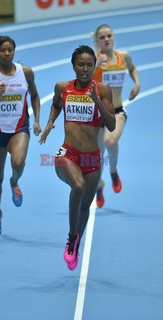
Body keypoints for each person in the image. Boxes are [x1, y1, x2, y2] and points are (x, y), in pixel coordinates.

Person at [39, 45, 115, 270]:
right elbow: (55, 104)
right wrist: (51, 121)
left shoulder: (102, 89)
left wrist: (97, 101)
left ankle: (76, 244)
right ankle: (72, 236)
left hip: (92, 158)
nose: (85, 69)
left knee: (85, 207)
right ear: (73, 66)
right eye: (80, 64)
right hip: (67, 153)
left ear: (94, 67)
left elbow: (110, 125)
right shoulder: (62, 87)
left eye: (89, 65)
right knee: (78, 187)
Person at [0, 35, 41, 236]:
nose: (7, 54)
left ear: (14, 50)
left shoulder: (26, 72)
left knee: (18, 162)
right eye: (3, 50)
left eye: (10, 50)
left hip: (19, 129)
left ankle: (15, 181)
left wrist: (37, 120)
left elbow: (35, 96)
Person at [92, 24, 140, 208]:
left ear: (113, 37)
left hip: (117, 111)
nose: (106, 39)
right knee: (96, 159)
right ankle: (99, 185)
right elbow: (81, 81)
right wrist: (96, 65)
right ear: (97, 41)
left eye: (109, 36)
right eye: (102, 37)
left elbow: (133, 69)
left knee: (110, 142)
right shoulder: (94, 60)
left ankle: (113, 172)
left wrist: (137, 84)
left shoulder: (123, 56)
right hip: (97, 115)